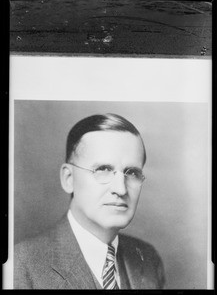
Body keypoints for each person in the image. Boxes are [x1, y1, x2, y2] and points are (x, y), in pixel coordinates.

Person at [14, 113, 165, 289]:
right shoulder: (21, 265)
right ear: (68, 178)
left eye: (132, 173)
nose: (121, 189)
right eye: (103, 169)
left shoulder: (148, 258)